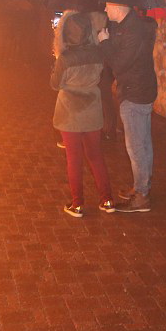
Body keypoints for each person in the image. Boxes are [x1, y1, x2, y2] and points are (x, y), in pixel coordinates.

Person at [50, 11, 115, 218]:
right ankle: (107, 199)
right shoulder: (98, 54)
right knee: (96, 156)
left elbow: (55, 84)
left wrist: (57, 60)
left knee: (74, 158)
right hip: (92, 111)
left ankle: (77, 204)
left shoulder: (66, 58)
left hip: (70, 113)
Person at [101, 2, 158, 213]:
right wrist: (111, 36)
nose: (105, 10)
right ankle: (142, 187)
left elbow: (118, 64)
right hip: (140, 89)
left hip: (135, 92)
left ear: (119, 7)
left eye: (108, 6)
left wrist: (105, 42)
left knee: (136, 146)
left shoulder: (133, 30)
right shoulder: (129, 26)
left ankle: (141, 195)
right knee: (143, 142)